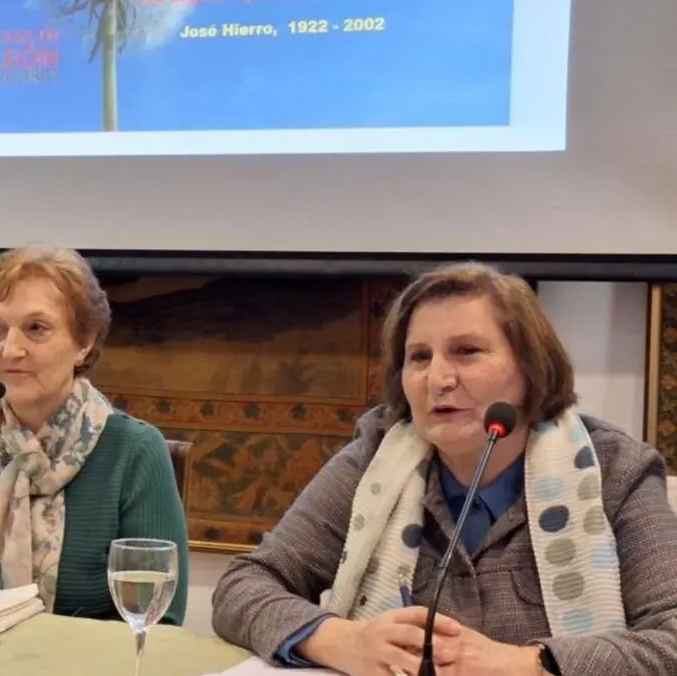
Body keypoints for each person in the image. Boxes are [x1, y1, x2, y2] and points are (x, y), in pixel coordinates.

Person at [210, 262, 677, 675]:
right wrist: (342, 640)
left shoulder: (615, 470)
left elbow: (670, 638)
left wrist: (526, 665)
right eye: (419, 357)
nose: (438, 379)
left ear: (530, 367)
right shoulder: (375, 458)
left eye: (467, 351)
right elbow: (244, 585)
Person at [0, 245, 190, 624]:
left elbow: (157, 623)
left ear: (85, 342)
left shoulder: (135, 451)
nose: (10, 349)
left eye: (36, 329)